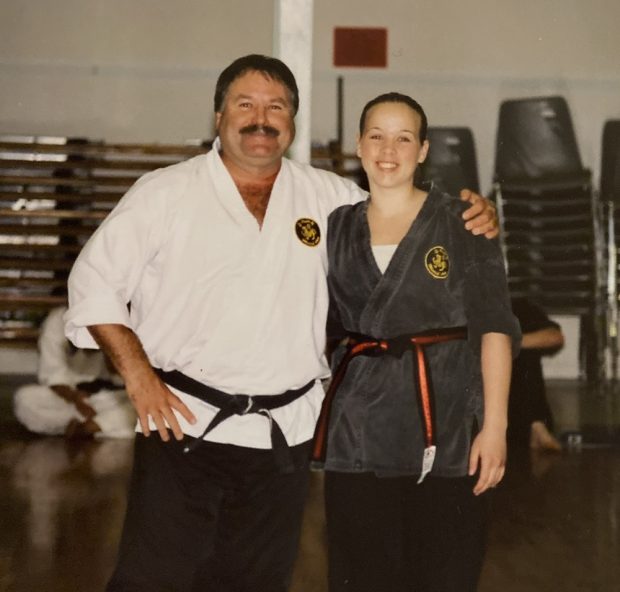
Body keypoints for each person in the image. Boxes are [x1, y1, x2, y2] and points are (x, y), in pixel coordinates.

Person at [64, 55, 499, 591]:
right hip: (183, 424)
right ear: (218, 115)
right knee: (154, 577)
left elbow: (406, 219)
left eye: (277, 107)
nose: (260, 118)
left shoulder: (331, 198)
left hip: (285, 434)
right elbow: (94, 286)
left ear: (292, 123)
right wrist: (138, 376)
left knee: (257, 580)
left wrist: (470, 215)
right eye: (245, 104)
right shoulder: (163, 193)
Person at [313, 93, 520, 592]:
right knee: (362, 576)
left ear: (423, 150)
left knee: (446, 573)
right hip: (358, 432)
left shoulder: (464, 221)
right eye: (377, 136)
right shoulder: (334, 225)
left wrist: (495, 428)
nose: (390, 150)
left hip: (447, 426)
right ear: (359, 147)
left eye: (404, 137)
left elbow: (494, 325)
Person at [13, 306, 135, 439]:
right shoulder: (58, 320)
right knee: (25, 400)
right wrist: (76, 399)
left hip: (112, 396)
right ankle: (104, 426)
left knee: (141, 405)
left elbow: (125, 379)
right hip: (72, 399)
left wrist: (107, 344)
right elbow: (53, 374)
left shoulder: (116, 315)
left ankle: (91, 427)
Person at [508, 297, 564, 452]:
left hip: (516, 410)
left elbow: (555, 337)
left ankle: (536, 425)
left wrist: (509, 344)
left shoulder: (517, 306)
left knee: (523, 352)